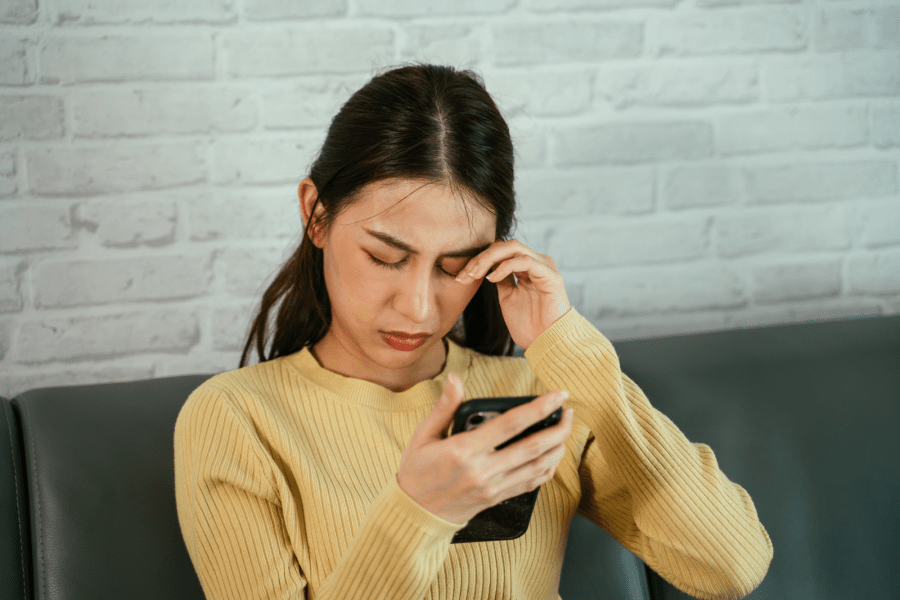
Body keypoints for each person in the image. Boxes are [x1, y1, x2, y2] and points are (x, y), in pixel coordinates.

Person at [174, 64, 772, 600]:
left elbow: (730, 565)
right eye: (385, 257)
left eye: (456, 266)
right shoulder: (236, 419)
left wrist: (565, 344)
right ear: (316, 214)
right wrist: (421, 513)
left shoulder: (539, 394)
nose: (416, 308)